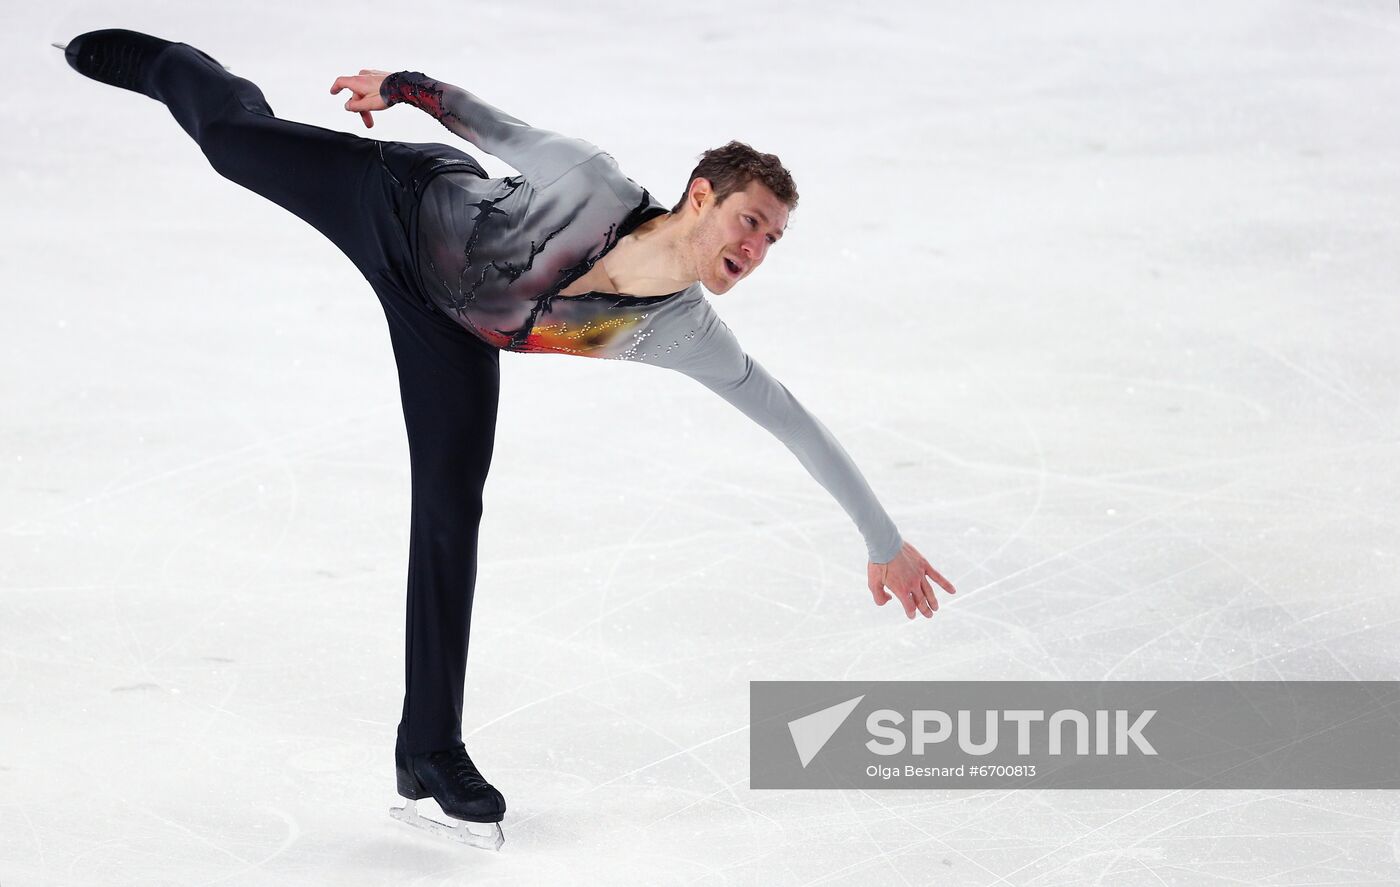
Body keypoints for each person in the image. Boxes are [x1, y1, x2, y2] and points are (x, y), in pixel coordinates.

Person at [57, 28, 957, 849]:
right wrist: (398, 85)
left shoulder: (681, 332)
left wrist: (884, 540)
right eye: (750, 221)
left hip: (449, 330)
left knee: (451, 514)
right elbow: (492, 124)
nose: (758, 247)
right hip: (396, 204)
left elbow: (787, 414)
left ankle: (429, 745)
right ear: (701, 196)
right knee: (232, 145)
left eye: (774, 239)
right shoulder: (593, 183)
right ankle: (169, 64)